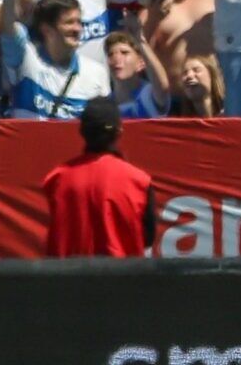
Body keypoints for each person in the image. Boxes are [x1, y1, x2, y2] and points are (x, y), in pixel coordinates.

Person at [32, 97, 156, 257]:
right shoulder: (139, 181)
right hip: (122, 278)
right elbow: (148, 238)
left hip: (68, 279)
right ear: (119, 131)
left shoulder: (56, 179)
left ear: (82, 132)